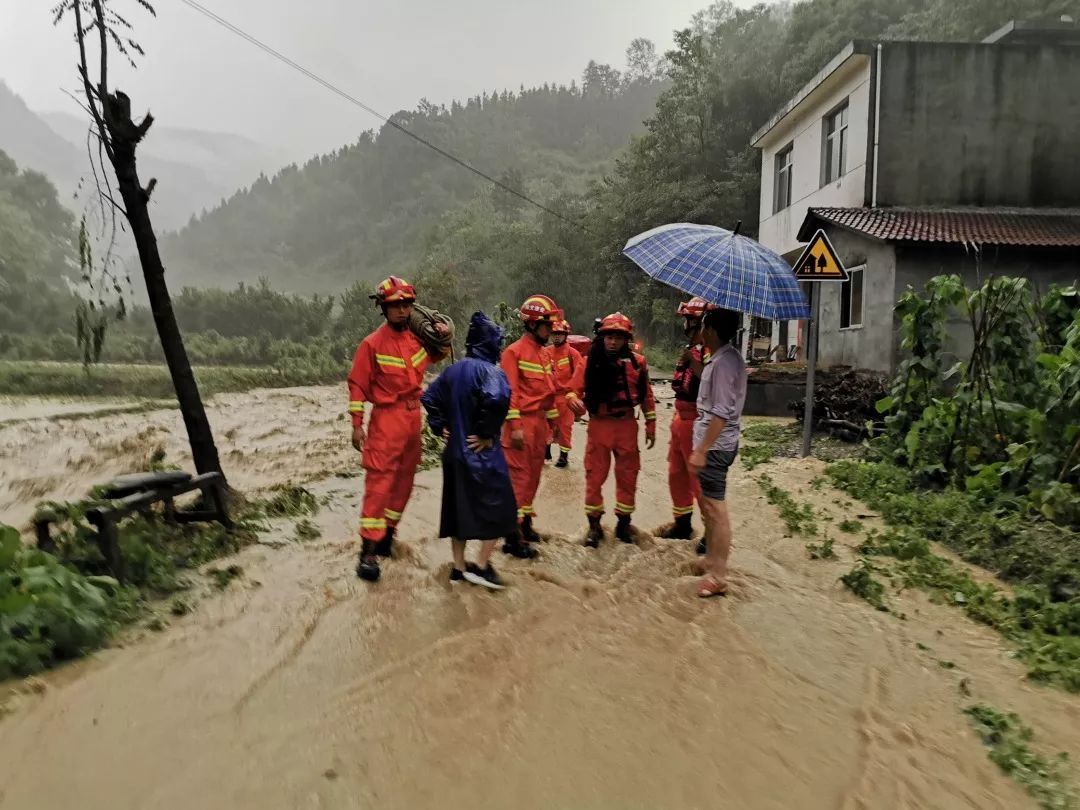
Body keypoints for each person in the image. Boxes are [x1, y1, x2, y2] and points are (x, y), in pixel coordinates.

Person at [348, 275, 448, 582]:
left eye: (406, 305)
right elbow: (357, 386)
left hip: (411, 418)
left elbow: (438, 355)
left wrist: (442, 334)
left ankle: (387, 537)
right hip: (386, 419)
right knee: (379, 484)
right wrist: (357, 425)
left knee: (404, 482)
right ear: (384, 308)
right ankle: (368, 550)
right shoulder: (372, 345)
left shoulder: (415, 340)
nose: (402, 311)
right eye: (395, 306)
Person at [421, 312, 517, 590]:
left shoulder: (452, 371)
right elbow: (498, 399)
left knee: (457, 510)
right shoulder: (491, 371)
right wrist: (487, 433)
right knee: (503, 508)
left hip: (453, 454)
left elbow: (428, 397)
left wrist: (440, 426)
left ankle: (459, 568)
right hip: (481, 455)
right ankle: (483, 566)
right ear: (490, 344)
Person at [567, 312, 657, 547]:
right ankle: (594, 526)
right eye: (609, 337)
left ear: (626, 339)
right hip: (599, 425)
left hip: (627, 425)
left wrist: (651, 425)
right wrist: (572, 401)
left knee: (628, 476)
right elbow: (572, 390)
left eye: (618, 337)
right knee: (593, 476)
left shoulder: (638, 363)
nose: (613, 341)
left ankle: (623, 524)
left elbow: (647, 396)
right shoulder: (588, 362)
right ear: (602, 337)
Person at [688, 308, 747, 598]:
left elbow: (721, 412)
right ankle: (711, 560)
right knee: (710, 506)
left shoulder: (724, 363)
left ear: (710, 329)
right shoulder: (724, 358)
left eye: (702, 326)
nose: (699, 332)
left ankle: (719, 575)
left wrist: (702, 449)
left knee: (715, 508)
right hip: (718, 443)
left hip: (717, 445)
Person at [500, 294, 564, 559]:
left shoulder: (545, 355)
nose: (551, 330)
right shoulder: (513, 353)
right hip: (520, 424)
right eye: (547, 325)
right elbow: (510, 393)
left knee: (534, 478)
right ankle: (512, 537)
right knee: (518, 480)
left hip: (539, 425)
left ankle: (525, 525)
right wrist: (514, 425)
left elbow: (548, 393)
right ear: (532, 324)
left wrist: (554, 423)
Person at [658, 297, 715, 544]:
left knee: (698, 480)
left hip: (697, 420)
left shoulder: (712, 350)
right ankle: (682, 523)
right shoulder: (692, 349)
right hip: (680, 417)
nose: (686, 324)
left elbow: (711, 382)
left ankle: (712, 531)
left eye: (690, 320)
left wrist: (694, 360)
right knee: (676, 473)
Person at [547, 318, 582, 469]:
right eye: (554, 333)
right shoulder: (545, 352)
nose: (556, 336)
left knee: (565, 427)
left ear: (566, 334)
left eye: (560, 333)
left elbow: (580, 378)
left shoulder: (573, 354)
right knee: (547, 426)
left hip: (567, 398)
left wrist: (578, 401)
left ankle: (563, 456)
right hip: (549, 397)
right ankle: (545, 451)